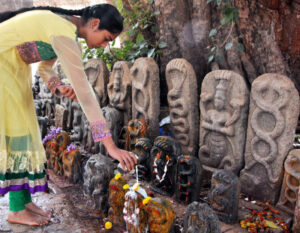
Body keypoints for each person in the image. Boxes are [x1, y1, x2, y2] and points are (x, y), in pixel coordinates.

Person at [0, 4, 137, 226]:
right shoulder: (63, 31)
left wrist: (59, 86)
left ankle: (23, 203)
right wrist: (111, 147)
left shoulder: (65, 29)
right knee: (18, 134)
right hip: (3, 65)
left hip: (13, 66)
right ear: (95, 24)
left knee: (26, 130)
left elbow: (45, 69)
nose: (104, 45)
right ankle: (15, 209)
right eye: (106, 38)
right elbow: (86, 94)